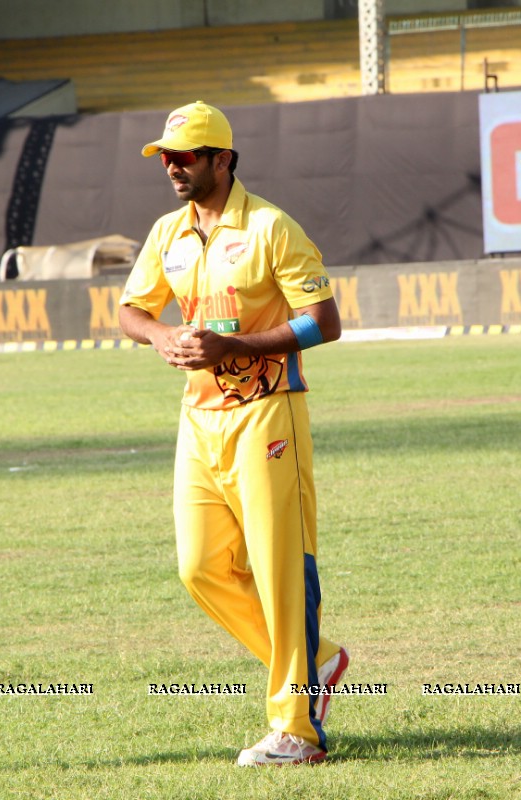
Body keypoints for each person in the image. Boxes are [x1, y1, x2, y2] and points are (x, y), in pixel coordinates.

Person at [118, 101, 349, 767]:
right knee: (200, 569)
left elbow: (322, 322)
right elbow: (133, 310)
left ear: (224, 159)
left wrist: (234, 345)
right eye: (166, 157)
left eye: (185, 156)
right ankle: (320, 662)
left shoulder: (272, 228)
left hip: (267, 414)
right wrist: (163, 335)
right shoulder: (168, 233)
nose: (172, 167)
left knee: (280, 572)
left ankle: (297, 731)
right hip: (199, 418)